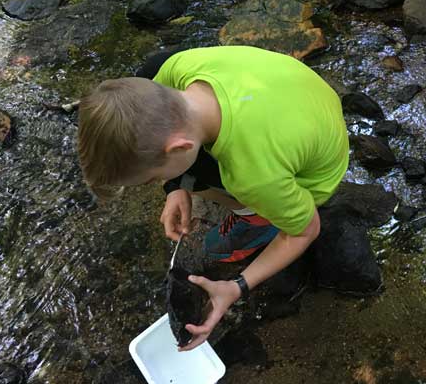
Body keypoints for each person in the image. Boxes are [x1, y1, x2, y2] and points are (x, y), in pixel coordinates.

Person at [77, 45, 349, 351]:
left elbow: (306, 230)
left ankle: (259, 221)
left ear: (179, 147)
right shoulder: (173, 68)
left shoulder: (254, 175)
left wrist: (236, 287)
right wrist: (176, 186)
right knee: (197, 175)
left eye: (154, 178)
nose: (157, 183)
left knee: (236, 188)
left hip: (319, 168)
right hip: (301, 95)